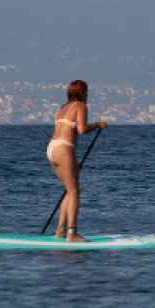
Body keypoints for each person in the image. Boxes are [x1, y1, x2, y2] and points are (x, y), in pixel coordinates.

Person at [48, 80, 107, 241]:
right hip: (64, 148)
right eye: (86, 92)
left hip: (52, 148)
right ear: (82, 93)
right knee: (74, 191)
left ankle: (60, 230)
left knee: (69, 189)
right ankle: (71, 233)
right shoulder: (80, 106)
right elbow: (81, 129)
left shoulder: (63, 108)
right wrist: (97, 125)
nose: (88, 95)